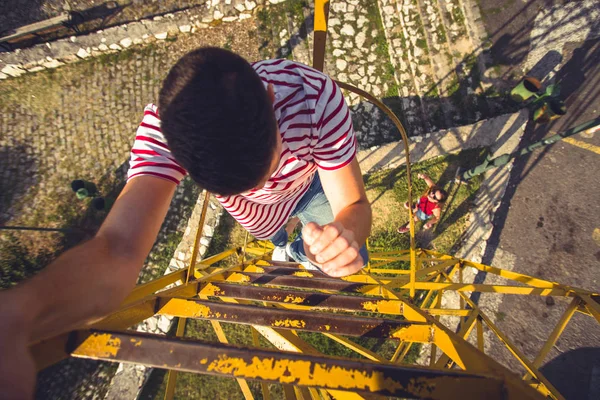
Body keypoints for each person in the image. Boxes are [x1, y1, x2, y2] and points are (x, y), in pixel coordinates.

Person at [0, 47, 372, 398]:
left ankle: (293, 248)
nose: (261, 186)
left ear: (272, 96)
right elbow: (118, 249)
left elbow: (353, 203)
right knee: (272, 236)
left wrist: (346, 235)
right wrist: (19, 315)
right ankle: (286, 246)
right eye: (238, 185)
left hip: (310, 190)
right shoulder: (167, 130)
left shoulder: (313, 97)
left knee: (359, 257)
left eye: (267, 168)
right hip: (256, 216)